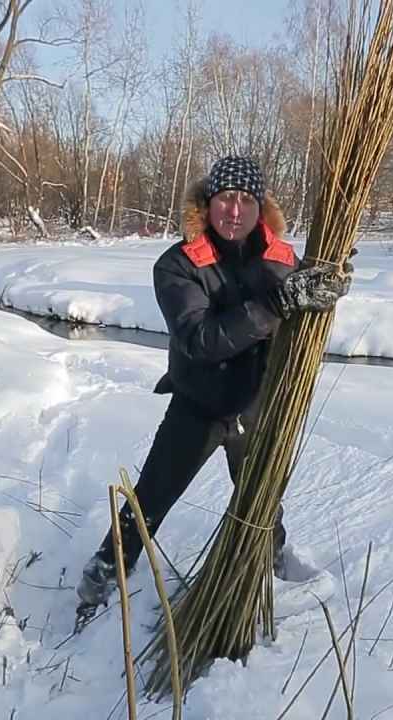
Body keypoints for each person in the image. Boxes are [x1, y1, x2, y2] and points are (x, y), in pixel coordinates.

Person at [76, 156, 352, 608]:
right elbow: (200, 339)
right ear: (209, 203)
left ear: (260, 208)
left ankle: (270, 562)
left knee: (262, 499)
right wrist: (276, 305)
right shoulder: (178, 264)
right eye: (226, 198)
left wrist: (330, 288)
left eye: (247, 200)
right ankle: (106, 572)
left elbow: (305, 308)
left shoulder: (282, 260)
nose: (235, 211)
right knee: (151, 499)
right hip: (198, 404)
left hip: (257, 404)